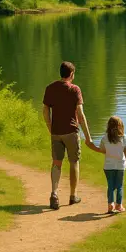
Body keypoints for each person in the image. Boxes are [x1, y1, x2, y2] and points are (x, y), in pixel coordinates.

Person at [42, 61, 93, 210]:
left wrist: (50, 126)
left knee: (56, 163)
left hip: (56, 132)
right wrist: (88, 137)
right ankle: (73, 196)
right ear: (71, 74)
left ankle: (54, 194)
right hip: (71, 132)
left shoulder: (50, 88)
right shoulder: (75, 89)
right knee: (74, 162)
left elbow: (45, 111)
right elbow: (81, 114)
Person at [84, 116, 126, 214]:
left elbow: (102, 150)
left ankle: (110, 205)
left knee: (110, 186)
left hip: (108, 166)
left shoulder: (105, 138)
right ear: (120, 126)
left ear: (108, 126)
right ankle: (119, 205)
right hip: (120, 166)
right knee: (119, 186)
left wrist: (91, 146)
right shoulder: (123, 137)